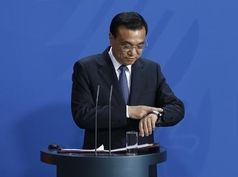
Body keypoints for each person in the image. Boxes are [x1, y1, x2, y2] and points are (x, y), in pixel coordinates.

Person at [71, 11, 184, 150]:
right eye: (126, 46)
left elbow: (177, 108)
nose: (133, 53)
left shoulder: (151, 69)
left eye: (140, 46)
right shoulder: (86, 68)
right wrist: (128, 111)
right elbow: (82, 115)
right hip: (101, 161)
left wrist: (156, 115)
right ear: (111, 38)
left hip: (141, 162)